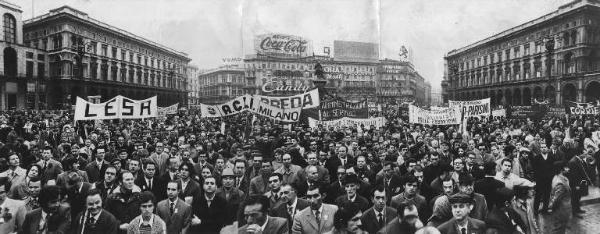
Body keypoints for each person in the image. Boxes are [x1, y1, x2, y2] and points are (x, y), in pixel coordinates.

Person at [546, 161, 572, 234]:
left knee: (560, 229)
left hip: (561, 209)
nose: (568, 169)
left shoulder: (558, 177)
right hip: (561, 210)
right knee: (558, 229)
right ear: (561, 169)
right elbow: (556, 198)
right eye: (566, 167)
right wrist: (550, 207)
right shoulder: (560, 183)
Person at [567, 146, 592, 217]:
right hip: (576, 184)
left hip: (580, 182)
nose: (586, 155)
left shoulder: (579, 160)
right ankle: (574, 212)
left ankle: (578, 209)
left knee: (578, 196)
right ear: (579, 154)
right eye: (585, 153)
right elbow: (573, 176)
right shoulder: (573, 162)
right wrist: (576, 185)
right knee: (574, 197)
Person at [531, 143, 556, 215]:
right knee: (538, 195)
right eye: (542, 147)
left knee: (547, 195)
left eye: (545, 147)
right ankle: (535, 210)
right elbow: (535, 169)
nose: (543, 148)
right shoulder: (537, 157)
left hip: (548, 180)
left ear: (547, 148)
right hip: (540, 180)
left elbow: (553, 168)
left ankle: (545, 209)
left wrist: (551, 177)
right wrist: (536, 179)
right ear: (540, 149)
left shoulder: (551, 157)